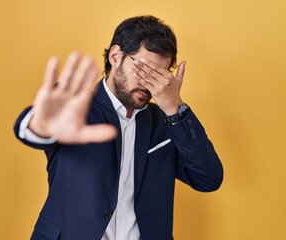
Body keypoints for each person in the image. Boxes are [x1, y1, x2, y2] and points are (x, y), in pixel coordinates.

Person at [14, 15, 223, 240]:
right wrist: (40, 126)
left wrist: (176, 110)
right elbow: (33, 128)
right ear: (115, 56)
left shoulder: (167, 121)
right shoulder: (75, 104)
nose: (148, 83)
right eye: (143, 69)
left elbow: (208, 179)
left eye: (159, 75)